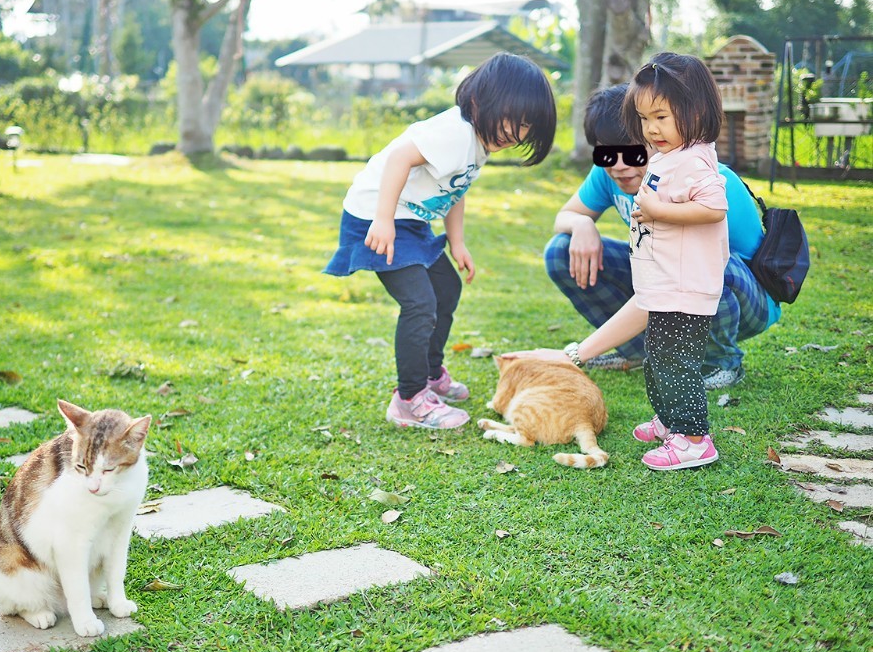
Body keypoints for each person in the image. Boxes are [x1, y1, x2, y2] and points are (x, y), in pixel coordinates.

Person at [324, 52, 557, 429]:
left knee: (446, 289)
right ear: (479, 100)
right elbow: (398, 159)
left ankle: (431, 374)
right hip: (376, 215)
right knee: (420, 303)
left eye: (526, 123)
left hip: (410, 221)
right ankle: (409, 398)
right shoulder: (456, 133)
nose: (514, 131)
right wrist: (383, 219)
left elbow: (454, 188)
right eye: (509, 116)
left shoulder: (479, 143)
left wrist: (457, 242)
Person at [543, 83, 780, 389]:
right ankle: (639, 352)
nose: (619, 166)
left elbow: (667, 283)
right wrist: (582, 224)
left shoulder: (689, 179)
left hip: (745, 299)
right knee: (560, 252)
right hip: (674, 281)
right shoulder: (609, 170)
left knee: (704, 263)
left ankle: (721, 363)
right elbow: (564, 216)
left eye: (632, 152)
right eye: (607, 153)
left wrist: (576, 354)